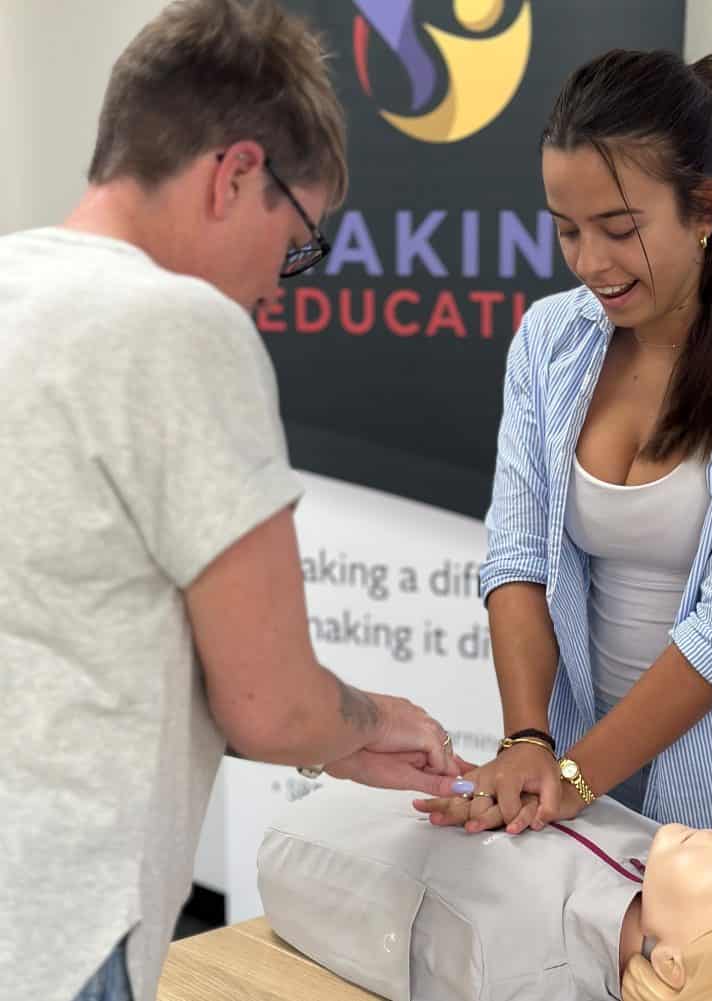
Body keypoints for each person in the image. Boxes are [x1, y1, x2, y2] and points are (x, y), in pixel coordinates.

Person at [0, 3, 469, 1001]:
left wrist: (338, 738)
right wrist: (367, 715)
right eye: (296, 237)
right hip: (56, 926)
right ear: (235, 174)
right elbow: (270, 700)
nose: (279, 282)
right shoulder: (181, 327)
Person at [417, 49, 712, 875]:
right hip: (607, 797)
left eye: (620, 228)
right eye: (567, 229)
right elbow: (519, 558)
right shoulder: (551, 342)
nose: (590, 262)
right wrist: (530, 740)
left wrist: (566, 775)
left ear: (705, 206)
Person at [258, 781, 712, 1001]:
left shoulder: (508, 966)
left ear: (672, 965)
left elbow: (311, 864)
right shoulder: (660, 860)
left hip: (310, 845)